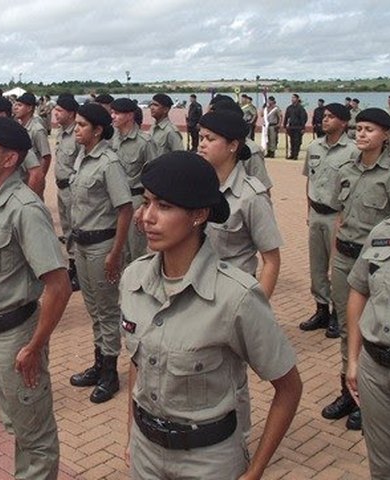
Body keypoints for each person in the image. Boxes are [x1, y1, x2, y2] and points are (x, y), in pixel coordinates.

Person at [123, 151, 302, 479]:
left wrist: (256, 469)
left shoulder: (236, 296)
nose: (147, 217)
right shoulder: (133, 280)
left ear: (198, 215)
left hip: (208, 461)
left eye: (164, 206)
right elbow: (138, 365)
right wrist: (131, 436)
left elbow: (289, 388)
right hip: (146, 452)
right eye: (146, 202)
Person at [0, 115, 72, 479]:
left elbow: (59, 285)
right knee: (19, 426)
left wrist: (35, 345)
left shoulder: (25, 210)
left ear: (9, 159)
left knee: (37, 438)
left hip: (17, 338)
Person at [325, 108, 390, 431]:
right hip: (344, 258)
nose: (362, 134)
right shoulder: (346, 169)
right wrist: (333, 258)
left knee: (371, 330)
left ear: (386, 135)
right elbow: (341, 217)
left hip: (377, 266)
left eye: (369, 129)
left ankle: (370, 402)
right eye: (359, 128)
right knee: (345, 327)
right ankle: (348, 394)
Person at [68, 103, 133, 404]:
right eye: (76, 124)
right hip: (81, 245)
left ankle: (110, 372)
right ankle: (99, 363)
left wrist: (115, 253)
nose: (75, 129)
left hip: (102, 246)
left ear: (97, 130)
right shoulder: (83, 157)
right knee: (93, 308)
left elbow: (125, 209)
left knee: (107, 311)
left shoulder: (108, 162)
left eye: (81, 125)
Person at [198, 109, 283, 299]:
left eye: (210, 139)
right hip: (198, 287)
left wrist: (258, 307)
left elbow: (271, 260)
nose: (202, 144)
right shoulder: (197, 187)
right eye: (201, 137)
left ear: (233, 145)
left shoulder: (251, 196)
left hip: (234, 293)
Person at [300, 104, 357, 334]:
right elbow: (309, 181)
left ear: (343, 123)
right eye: (324, 116)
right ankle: (321, 310)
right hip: (316, 214)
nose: (325, 120)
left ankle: (336, 314)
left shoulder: (353, 151)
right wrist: (308, 211)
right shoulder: (314, 146)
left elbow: (355, 188)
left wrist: (345, 218)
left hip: (337, 216)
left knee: (337, 268)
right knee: (317, 266)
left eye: (331, 117)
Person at [346, 215, 390, 479]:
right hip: (374, 371)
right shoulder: (382, 232)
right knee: (383, 467)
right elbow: (359, 290)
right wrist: (353, 360)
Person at [110, 97, 155, 263]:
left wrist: (145, 206)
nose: (113, 116)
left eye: (117, 113)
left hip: (134, 199)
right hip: (114, 200)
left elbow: (153, 176)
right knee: (119, 249)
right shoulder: (112, 139)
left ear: (129, 116)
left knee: (136, 251)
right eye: (112, 112)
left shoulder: (145, 142)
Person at [52, 95, 81, 290]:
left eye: (60, 110)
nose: (56, 113)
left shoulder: (78, 135)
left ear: (70, 113)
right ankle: (72, 263)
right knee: (67, 228)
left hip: (73, 189)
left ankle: (79, 269)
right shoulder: (61, 134)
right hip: (61, 188)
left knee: (77, 227)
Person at [13, 92, 52, 195]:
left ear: (30, 108)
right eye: (16, 105)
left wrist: (39, 179)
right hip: (22, 179)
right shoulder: (21, 127)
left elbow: (46, 156)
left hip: (33, 180)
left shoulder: (37, 129)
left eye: (20, 105)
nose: (15, 108)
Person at [283, 94, 308, 159]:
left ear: (297, 99)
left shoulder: (301, 108)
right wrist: (284, 126)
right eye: (292, 98)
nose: (292, 99)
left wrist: (303, 127)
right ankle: (292, 154)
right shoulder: (289, 108)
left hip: (298, 127)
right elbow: (286, 117)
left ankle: (295, 155)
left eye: (294, 98)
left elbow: (304, 118)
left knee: (297, 141)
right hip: (291, 127)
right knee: (292, 141)